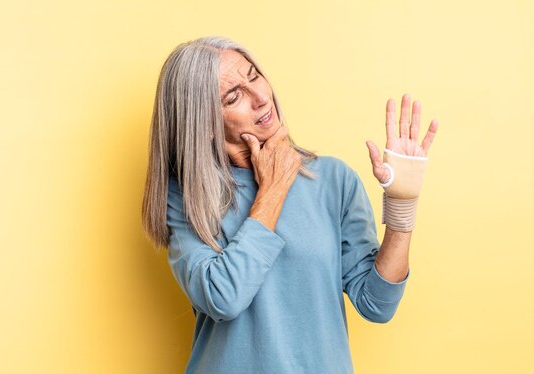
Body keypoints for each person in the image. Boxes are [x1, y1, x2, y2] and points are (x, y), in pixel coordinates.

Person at [141, 36, 438, 374]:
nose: (261, 99)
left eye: (254, 77)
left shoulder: (332, 180)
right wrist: (274, 186)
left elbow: (377, 304)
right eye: (234, 96)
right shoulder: (186, 199)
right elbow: (223, 297)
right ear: (204, 123)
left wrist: (403, 204)